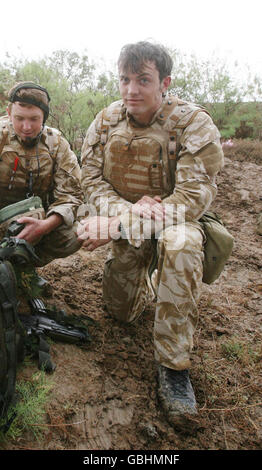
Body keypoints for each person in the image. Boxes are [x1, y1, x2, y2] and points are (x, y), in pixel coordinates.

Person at [79, 41, 224, 431]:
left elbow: (192, 198)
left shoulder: (193, 123)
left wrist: (119, 226)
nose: (131, 90)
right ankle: (154, 282)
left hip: (177, 220)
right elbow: (89, 179)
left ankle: (174, 368)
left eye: (143, 80)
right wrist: (127, 214)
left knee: (180, 244)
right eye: (125, 80)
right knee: (121, 313)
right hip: (129, 218)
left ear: (165, 82)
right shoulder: (107, 121)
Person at [0, 81, 83, 270]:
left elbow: (72, 195)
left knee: (75, 233)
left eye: (34, 119)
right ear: (8, 112)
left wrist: (44, 225)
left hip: (35, 220)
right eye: (19, 118)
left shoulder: (56, 143)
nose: (26, 127)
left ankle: (22, 267)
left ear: (44, 117)